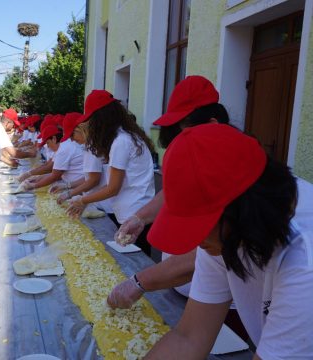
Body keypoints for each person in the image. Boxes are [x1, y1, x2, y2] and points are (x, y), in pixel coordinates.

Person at [143, 123, 313, 359]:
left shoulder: (306, 261)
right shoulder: (225, 234)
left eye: (198, 225)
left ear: (243, 210)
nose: (196, 241)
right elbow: (189, 337)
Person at [108, 76, 232, 307]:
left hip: (220, 303)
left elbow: (210, 253)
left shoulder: (232, 169)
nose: (180, 143)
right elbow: (170, 193)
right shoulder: (198, 159)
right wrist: (140, 218)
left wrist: (140, 282)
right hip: (180, 288)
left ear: (212, 125)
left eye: (183, 134)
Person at [66, 90, 155, 253]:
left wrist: (82, 200)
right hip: (135, 212)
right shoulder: (126, 137)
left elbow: (113, 188)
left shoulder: (121, 142)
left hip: (134, 214)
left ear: (100, 119)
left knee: (134, 262)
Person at [52, 113, 114, 219]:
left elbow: (94, 181)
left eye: (72, 135)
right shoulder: (89, 146)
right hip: (97, 201)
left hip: (105, 205)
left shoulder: (93, 148)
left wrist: (71, 194)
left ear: (81, 128)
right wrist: (67, 186)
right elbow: (89, 178)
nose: (71, 140)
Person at [24, 113, 84, 192]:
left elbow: (54, 174)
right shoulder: (64, 147)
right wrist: (38, 178)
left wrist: (34, 184)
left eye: (48, 143)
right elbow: (54, 170)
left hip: (81, 191)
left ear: (54, 139)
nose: (48, 147)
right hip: (76, 187)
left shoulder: (65, 148)